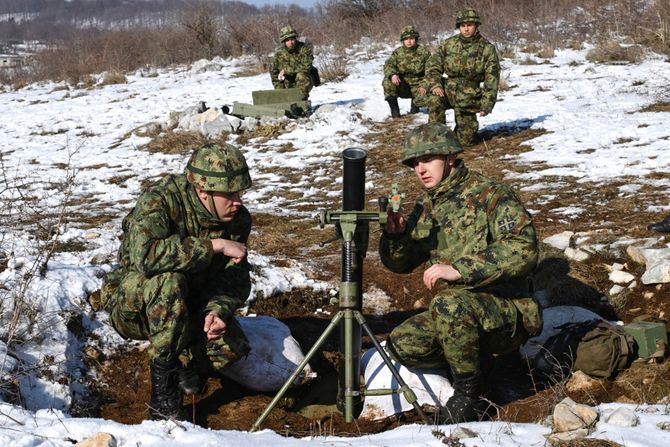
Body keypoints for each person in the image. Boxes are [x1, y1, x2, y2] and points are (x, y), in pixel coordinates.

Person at [379, 123, 543, 423]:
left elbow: (524, 249)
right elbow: (401, 265)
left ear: (451, 158)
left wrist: (460, 269)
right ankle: (478, 365)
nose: (420, 169)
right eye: (415, 163)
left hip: (508, 310)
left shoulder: (491, 195)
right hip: (457, 313)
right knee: (403, 342)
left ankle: (471, 394)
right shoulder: (426, 206)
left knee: (448, 304)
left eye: (428, 159)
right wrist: (396, 237)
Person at [100, 143, 253, 421]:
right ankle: (163, 398)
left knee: (230, 346)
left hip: (188, 304)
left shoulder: (237, 219)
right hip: (135, 304)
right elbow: (146, 257)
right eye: (229, 194)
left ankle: (185, 359)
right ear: (202, 191)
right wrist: (214, 245)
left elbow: (234, 279)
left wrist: (217, 311)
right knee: (169, 282)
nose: (238, 201)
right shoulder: (160, 201)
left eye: (240, 192)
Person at [425, 9, 500, 146]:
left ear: (476, 26)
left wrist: (487, 103)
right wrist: (435, 84)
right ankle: (437, 137)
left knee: (464, 142)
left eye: (469, 25)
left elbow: (492, 78)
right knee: (434, 99)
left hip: (470, 94)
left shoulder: (486, 48)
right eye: (462, 26)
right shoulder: (448, 44)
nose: (466, 29)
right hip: (448, 89)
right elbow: (433, 67)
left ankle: (461, 133)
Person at [382, 25, 433, 118]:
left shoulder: (424, 52)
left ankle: (415, 109)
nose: (409, 41)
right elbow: (389, 64)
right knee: (387, 82)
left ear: (416, 39)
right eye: (406, 39)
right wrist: (393, 74)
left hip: (419, 85)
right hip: (403, 85)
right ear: (403, 40)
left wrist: (425, 84)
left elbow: (432, 69)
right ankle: (395, 112)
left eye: (411, 38)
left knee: (427, 99)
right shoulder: (398, 52)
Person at [270, 25, 315, 100]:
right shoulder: (279, 53)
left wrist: (286, 70)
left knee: (301, 75)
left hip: (305, 81)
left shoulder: (304, 49)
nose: (290, 42)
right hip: (288, 82)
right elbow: (274, 73)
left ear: (295, 39)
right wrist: (279, 92)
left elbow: (306, 67)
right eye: (287, 40)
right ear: (284, 42)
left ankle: (302, 101)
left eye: (292, 39)